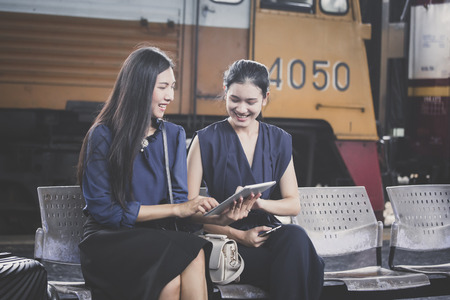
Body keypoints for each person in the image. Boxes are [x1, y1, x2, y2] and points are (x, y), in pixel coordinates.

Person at [76, 45, 218, 300]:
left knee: (179, 270)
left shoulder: (173, 135)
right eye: (163, 86)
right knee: (187, 256)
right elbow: (106, 212)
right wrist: (177, 209)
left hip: (156, 240)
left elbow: (178, 204)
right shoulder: (103, 135)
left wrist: (217, 216)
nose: (171, 96)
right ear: (139, 87)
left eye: (172, 87)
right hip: (109, 242)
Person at [187, 59, 325, 299]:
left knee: (296, 237)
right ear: (225, 92)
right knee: (298, 265)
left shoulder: (279, 140)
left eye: (251, 102)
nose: (242, 109)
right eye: (234, 99)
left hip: (265, 235)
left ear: (265, 98)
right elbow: (188, 213)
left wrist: (258, 202)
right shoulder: (205, 140)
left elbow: (293, 203)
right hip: (225, 242)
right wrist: (239, 235)